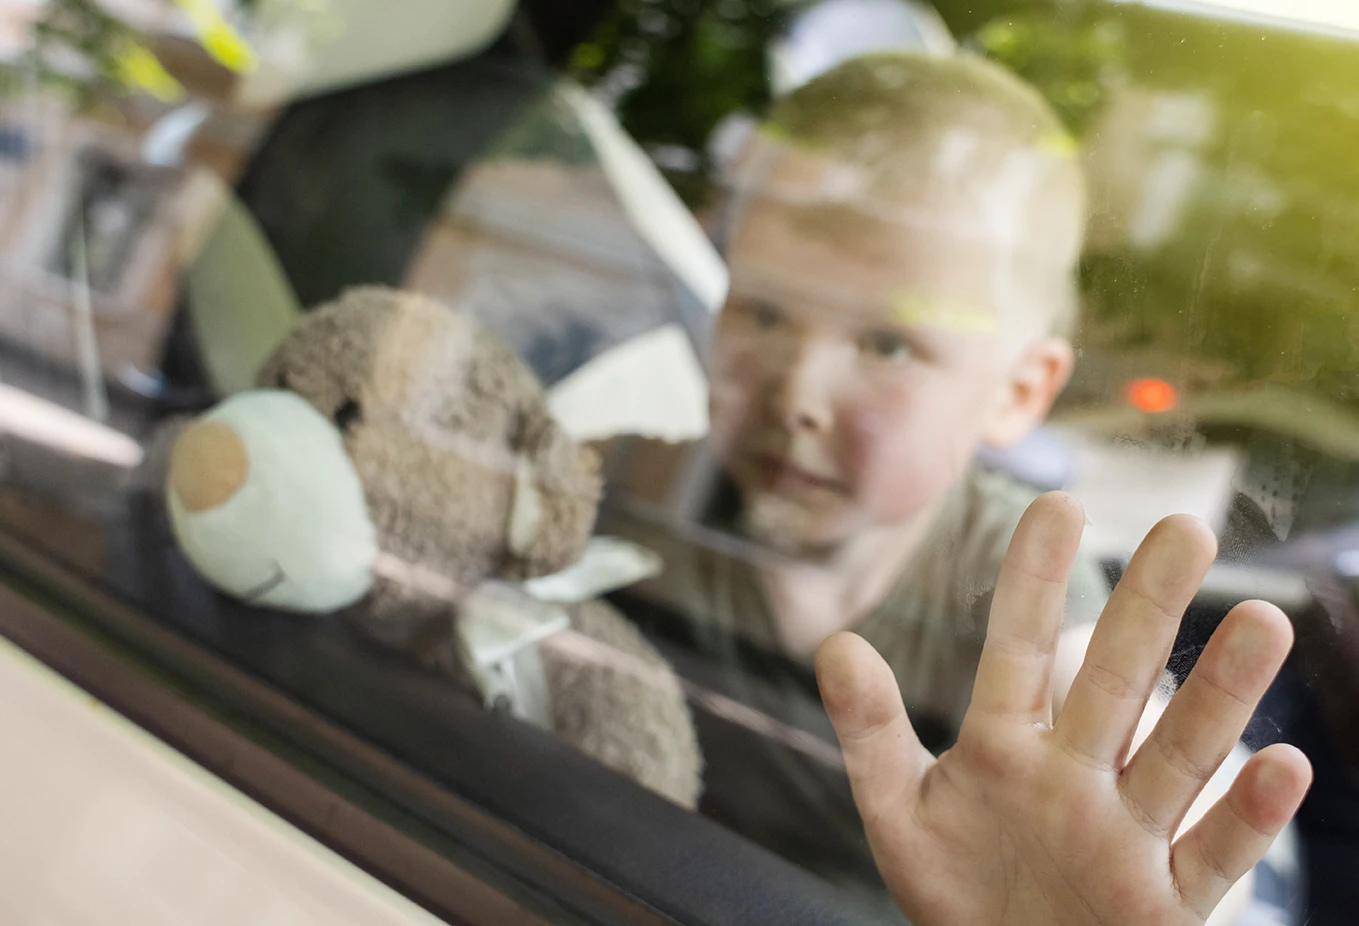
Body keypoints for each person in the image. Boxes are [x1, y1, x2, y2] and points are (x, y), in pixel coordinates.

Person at [599, 51, 1300, 922]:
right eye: (763, 312)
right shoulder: (646, 479)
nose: (796, 396)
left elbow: (1113, 765)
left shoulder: (1017, 587)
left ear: (1015, 392)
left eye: (889, 345)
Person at [817, 493, 1312, 926]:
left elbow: (1091, 686)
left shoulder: (992, 536)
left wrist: (1153, 892)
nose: (802, 402)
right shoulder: (744, 520)